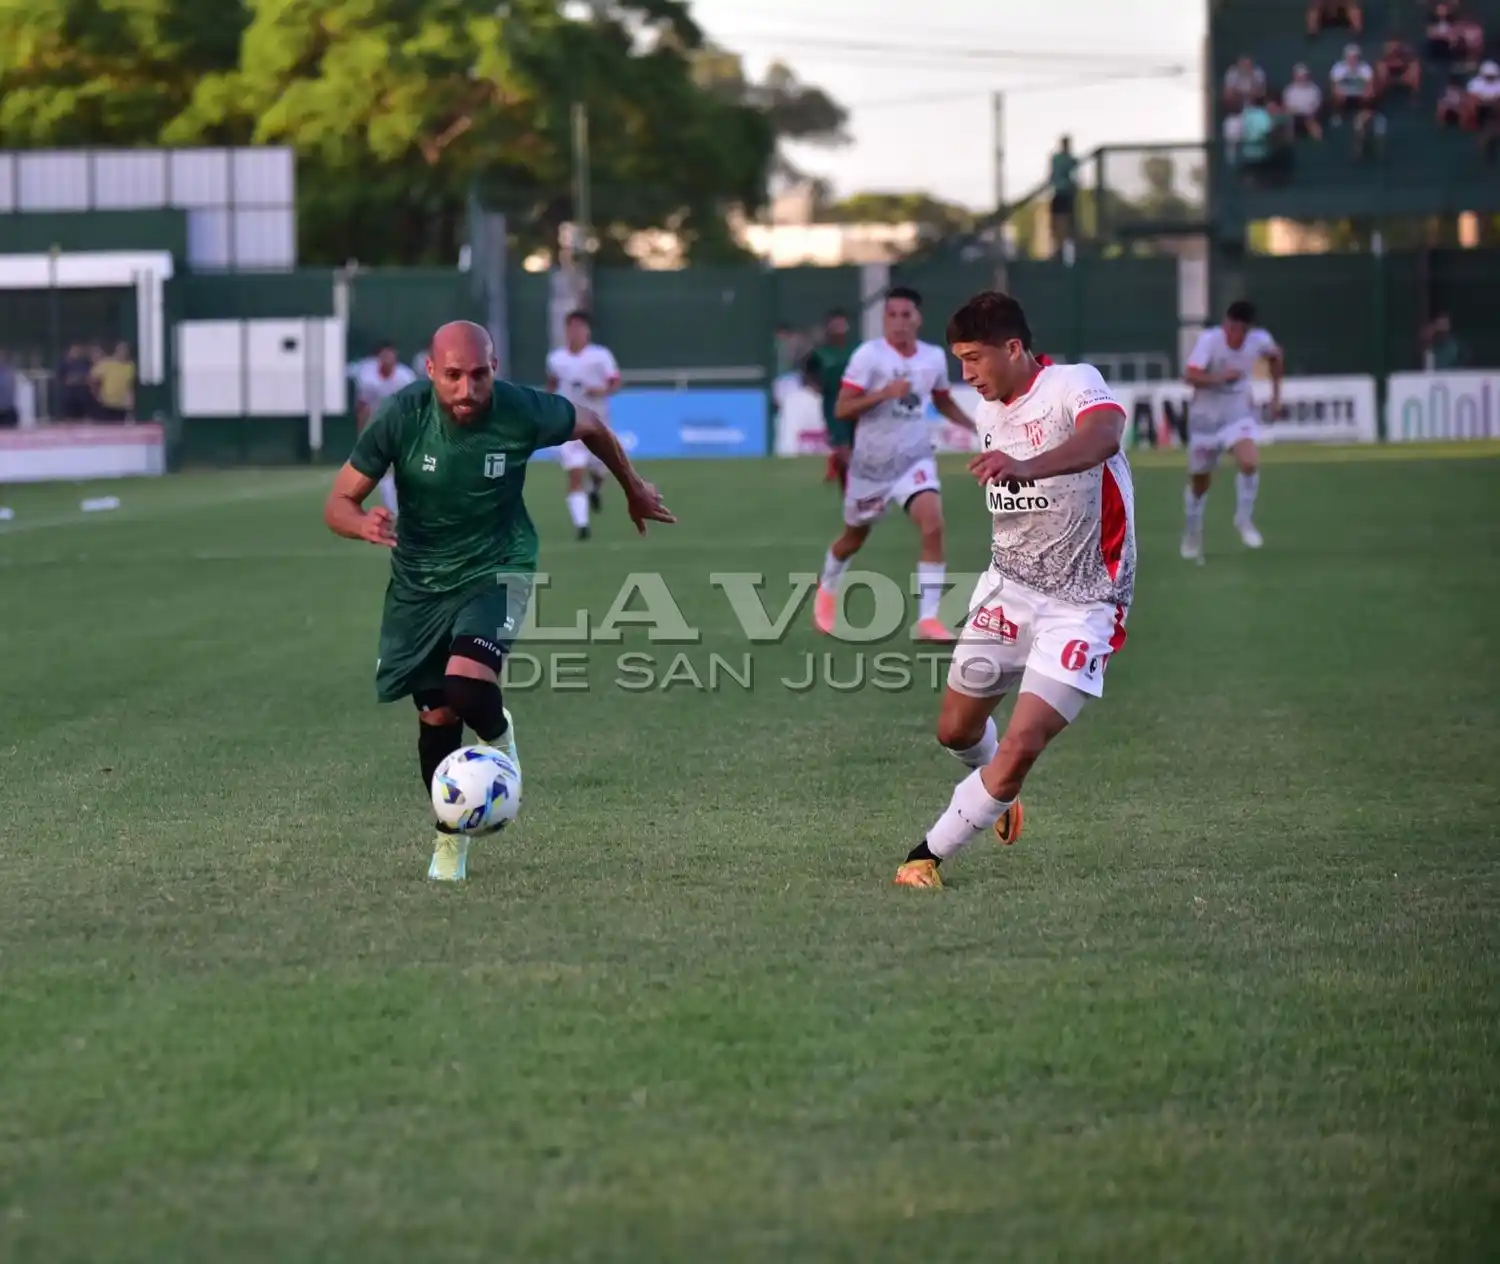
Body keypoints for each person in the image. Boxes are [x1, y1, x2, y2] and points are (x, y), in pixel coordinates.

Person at [323, 321, 675, 882]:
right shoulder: (401, 415)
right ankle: (450, 839)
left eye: (478, 375)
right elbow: (338, 502)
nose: (467, 390)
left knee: (466, 686)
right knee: (437, 715)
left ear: (495, 369)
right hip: (420, 582)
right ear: (431, 371)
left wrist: (633, 488)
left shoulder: (520, 410)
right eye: (453, 376)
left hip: (497, 565)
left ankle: (499, 738)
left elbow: (591, 424)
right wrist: (360, 523)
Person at [894, 291, 1134, 889]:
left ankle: (925, 856)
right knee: (955, 731)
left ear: (1014, 347)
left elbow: (1105, 435)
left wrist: (1028, 465)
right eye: (960, 361)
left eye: (975, 358)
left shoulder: (1073, 383)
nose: (967, 374)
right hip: (1008, 592)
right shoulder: (987, 413)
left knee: (1022, 744)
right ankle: (997, 791)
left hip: (1085, 604)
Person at [812, 287, 976, 644]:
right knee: (853, 537)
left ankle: (929, 620)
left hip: (914, 458)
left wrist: (977, 427)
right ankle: (827, 588)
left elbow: (943, 401)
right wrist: (884, 393)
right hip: (872, 465)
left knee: (933, 525)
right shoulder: (868, 356)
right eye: (892, 315)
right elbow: (842, 408)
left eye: (906, 315)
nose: (899, 322)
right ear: (884, 319)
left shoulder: (933, 357)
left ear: (918, 318)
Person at [1180, 300, 1283, 560]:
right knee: (1200, 483)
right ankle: (1192, 532)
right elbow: (1190, 376)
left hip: (1237, 413)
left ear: (1248, 329)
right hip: (1205, 419)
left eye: (1241, 330)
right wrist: (1219, 378)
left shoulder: (1259, 340)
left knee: (1249, 462)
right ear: (1226, 324)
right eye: (1231, 328)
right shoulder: (1210, 340)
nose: (1235, 334)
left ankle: (1243, 520)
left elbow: (1276, 357)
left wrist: (1275, 397)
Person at [544, 311, 619, 540]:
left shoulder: (600, 356)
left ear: (587, 331)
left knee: (598, 471)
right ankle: (582, 525)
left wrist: (601, 390)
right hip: (570, 424)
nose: (575, 332)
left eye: (580, 328)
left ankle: (595, 489)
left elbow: (614, 382)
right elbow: (551, 385)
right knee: (575, 473)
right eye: (571, 328)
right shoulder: (556, 359)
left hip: (597, 423)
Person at [354, 342, 418, 516]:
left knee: (405, 470)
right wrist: (362, 433)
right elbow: (363, 407)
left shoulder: (405, 377)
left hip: (402, 427)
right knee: (382, 471)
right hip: (378, 428)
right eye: (384, 355)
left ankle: (406, 505)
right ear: (378, 357)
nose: (388, 358)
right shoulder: (368, 377)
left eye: (391, 354)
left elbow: (415, 405)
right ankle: (394, 510)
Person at [801, 309, 855, 489]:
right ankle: (852, 488)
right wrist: (817, 386)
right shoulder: (821, 353)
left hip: (856, 403)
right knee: (842, 445)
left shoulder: (856, 350)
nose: (839, 328)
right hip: (833, 404)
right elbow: (807, 371)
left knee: (856, 447)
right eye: (835, 325)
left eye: (842, 324)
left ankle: (839, 466)